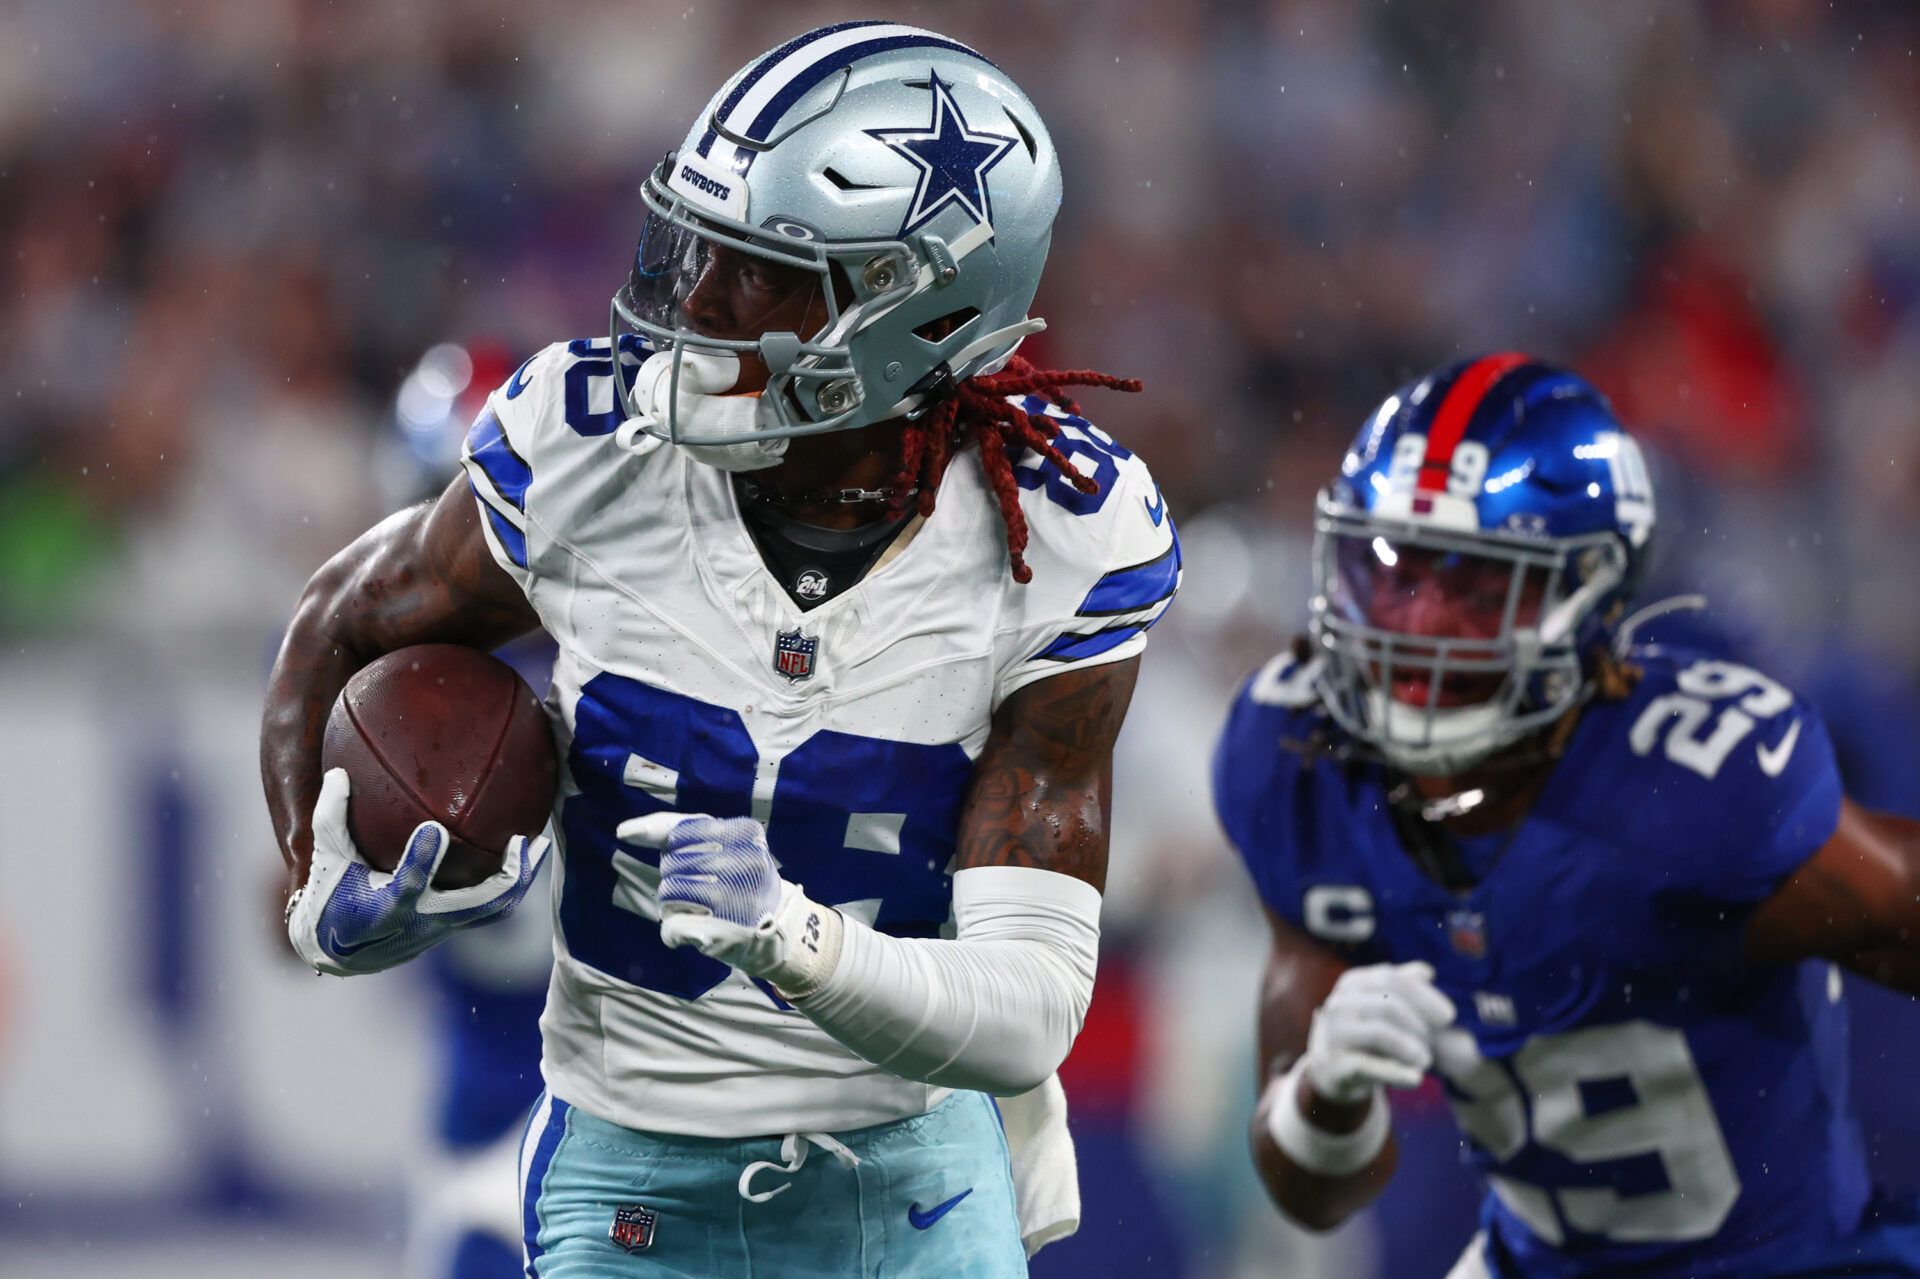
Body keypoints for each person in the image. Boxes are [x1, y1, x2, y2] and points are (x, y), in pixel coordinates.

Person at [260, 22, 1177, 1278]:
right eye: (705, 253)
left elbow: (1026, 1012)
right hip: (630, 1160)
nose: (697, 304)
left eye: (764, 274)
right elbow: (339, 620)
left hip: (910, 1163)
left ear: (920, 308)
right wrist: (318, 888)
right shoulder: (593, 453)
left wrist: (793, 940)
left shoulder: (1060, 534)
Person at [1210, 354, 1920, 1278]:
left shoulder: (1687, 787)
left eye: (1470, 585)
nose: (1414, 623)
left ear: (1584, 592)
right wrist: (1324, 1097)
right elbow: (1314, 1194)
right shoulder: (1297, 760)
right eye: (1391, 569)